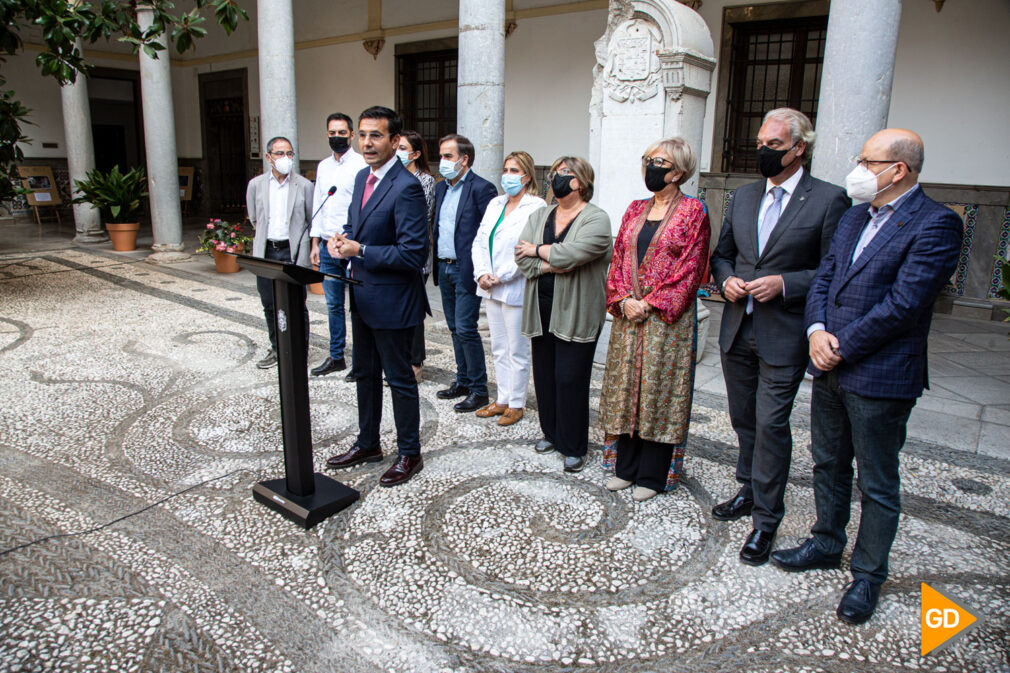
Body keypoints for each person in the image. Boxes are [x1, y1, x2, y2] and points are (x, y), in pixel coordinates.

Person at [772, 129, 963, 625]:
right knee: (827, 462)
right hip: (828, 360)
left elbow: (905, 303)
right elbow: (825, 277)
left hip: (880, 372)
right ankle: (826, 541)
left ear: (898, 169)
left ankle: (867, 575)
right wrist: (815, 330)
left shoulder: (937, 224)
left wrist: (842, 345)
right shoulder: (856, 216)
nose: (857, 169)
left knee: (876, 481)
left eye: (867, 161)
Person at [710, 108, 850, 566]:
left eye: (773, 145)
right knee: (743, 419)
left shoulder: (829, 200)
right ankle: (748, 489)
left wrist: (786, 284)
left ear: (799, 149)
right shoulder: (745, 196)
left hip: (784, 333)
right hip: (738, 326)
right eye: (760, 143)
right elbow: (723, 255)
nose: (763, 151)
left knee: (771, 425)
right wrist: (726, 279)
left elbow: (834, 272)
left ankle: (766, 522)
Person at [324, 106, 430, 487]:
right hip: (363, 295)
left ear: (395, 140)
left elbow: (413, 253)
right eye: (363, 135)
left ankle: (409, 452)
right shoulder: (360, 176)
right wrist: (343, 238)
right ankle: (368, 443)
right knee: (365, 374)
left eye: (376, 136)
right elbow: (359, 225)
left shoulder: (407, 187)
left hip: (394, 300)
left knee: (399, 379)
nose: (367, 143)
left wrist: (361, 251)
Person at [599, 138, 710, 502]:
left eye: (659, 161)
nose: (651, 166)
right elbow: (617, 259)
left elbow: (691, 267)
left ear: (678, 171)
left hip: (666, 321)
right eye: (648, 159)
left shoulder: (694, 212)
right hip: (629, 318)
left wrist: (652, 303)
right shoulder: (634, 209)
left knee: (659, 390)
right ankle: (625, 467)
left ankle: (653, 473)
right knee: (626, 388)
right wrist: (622, 299)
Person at [515, 156, 612, 473]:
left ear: (581, 182)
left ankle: (573, 445)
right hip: (540, 308)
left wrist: (538, 250)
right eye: (554, 172)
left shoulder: (597, 219)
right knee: (544, 375)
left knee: (570, 378)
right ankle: (551, 434)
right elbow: (522, 257)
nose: (556, 177)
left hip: (578, 311)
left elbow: (577, 253)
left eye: (564, 173)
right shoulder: (541, 214)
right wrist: (549, 262)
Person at [471, 151, 546, 426]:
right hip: (489, 285)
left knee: (517, 348)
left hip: (514, 285)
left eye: (515, 171)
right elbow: (480, 240)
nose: (508, 176)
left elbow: (528, 247)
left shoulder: (535, 206)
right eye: (506, 169)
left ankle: (516, 403)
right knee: (499, 346)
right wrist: (481, 273)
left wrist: (501, 276)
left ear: (527, 176)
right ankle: (501, 398)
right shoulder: (495, 203)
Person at [432, 134, 498, 412]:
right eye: (441, 156)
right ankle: (462, 380)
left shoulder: (482, 189)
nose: (442, 162)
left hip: (466, 269)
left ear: (464, 159)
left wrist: (485, 269)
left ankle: (479, 390)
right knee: (454, 328)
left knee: (466, 328)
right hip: (444, 266)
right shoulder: (440, 189)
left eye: (448, 156)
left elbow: (489, 234)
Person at [246, 136, 314, 369]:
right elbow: (255, 218)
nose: (285, 158)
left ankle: (300, 350)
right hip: (267, 251)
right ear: (268, 157)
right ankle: (277, 347)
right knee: (269, 303)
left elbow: (309, 219)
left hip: (292, 251)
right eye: (279, 153)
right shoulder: (256, 185)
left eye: (289, 153)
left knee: (297, 303)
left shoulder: (304, 185)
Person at [309, 112, 367, 378]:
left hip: (351, 245)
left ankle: (363, 360)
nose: (337, 137)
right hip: (327, 246)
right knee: (333, 305)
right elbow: (318, 205)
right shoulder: (323, 166)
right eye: (332, 133)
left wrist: (351, 240)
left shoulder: (361, 165)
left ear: (352, 135)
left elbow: (362, 208)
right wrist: (315, 242)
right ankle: (336, 356)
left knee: (359, 305)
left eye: (342, 133)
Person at [396, 130, 436, 383]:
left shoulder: (425, 181)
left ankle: (415, 362)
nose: (397, 152)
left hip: (415, 256)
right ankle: (399, 360)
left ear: (416, 153)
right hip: (393, 254)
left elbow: (424, 216)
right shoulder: (392, 177)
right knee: (396, 311)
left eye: (402, 147)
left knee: (413, 311)